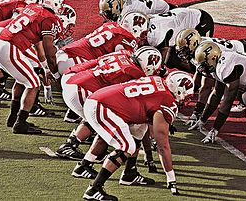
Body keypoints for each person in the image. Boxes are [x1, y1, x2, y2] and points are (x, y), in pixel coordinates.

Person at [82, 71, 194, 200]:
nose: (186, 100)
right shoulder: (167, 102)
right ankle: (94, 189)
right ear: (179, 91)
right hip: (102, 107)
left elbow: (147, 114)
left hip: (100, 99)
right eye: (186, 96)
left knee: (140, 128)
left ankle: (129, 173)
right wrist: (171, 177)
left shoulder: (157, 80)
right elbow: (162, 146)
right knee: (127, 146)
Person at [55, 47, 162, 175]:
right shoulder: (135, 73)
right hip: (82, 89)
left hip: (74, 80)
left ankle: (83, 152)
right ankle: (79, 158)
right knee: (106, 122)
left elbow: (96, 62)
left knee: (101, 117)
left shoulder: (123, 54)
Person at [0, 0, 64, 134]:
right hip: (9, 47)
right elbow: (48, 49)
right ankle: (20, 123)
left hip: (0, 42)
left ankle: (13, 117)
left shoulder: (33, 7)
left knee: (23, 80)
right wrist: (53, 70)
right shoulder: (49, 18)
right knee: (33, 83)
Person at [173, 28, 246, 124]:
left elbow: (207, 86)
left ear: (193, 44)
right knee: (232, 83)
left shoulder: (204, 53)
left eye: (184, 49)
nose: (182, 53)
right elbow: (199, 78)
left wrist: (196, 113)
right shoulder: (198, 49)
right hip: (240, 53)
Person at [99, 0, 175, 22]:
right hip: (159, 4)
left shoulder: (128, 11)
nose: (106, 15)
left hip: (162, 12)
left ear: (116, 7)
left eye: (108, 12)